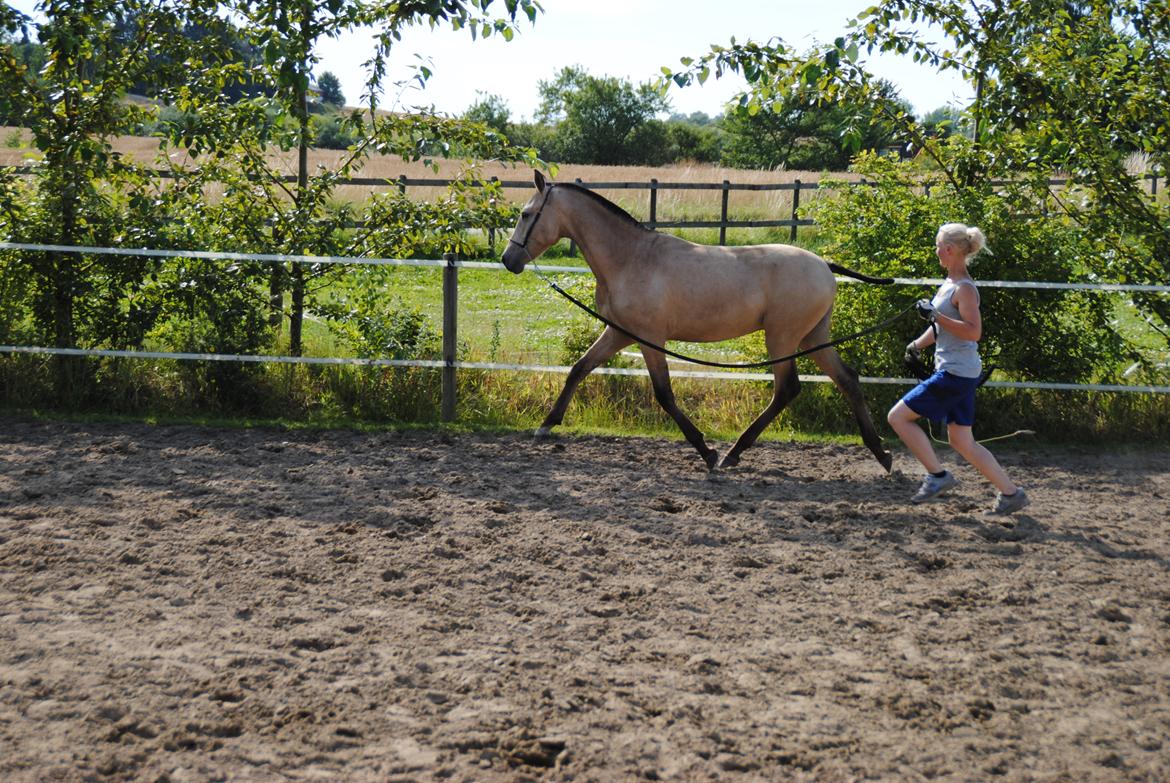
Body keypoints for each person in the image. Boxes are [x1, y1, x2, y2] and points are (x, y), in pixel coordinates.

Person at [887, 222, 1030, 515]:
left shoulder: (964, 289)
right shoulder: (950, 284)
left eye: (938, 246)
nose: (936, 251)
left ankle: (938, 477)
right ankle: (1011, 493)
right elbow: (941, 328)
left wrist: (935, 315)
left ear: (949, 250)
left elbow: (973, 331)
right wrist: (915, 345)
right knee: (962, 441)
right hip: (960, 372)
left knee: (898, 418)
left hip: (954, 373)